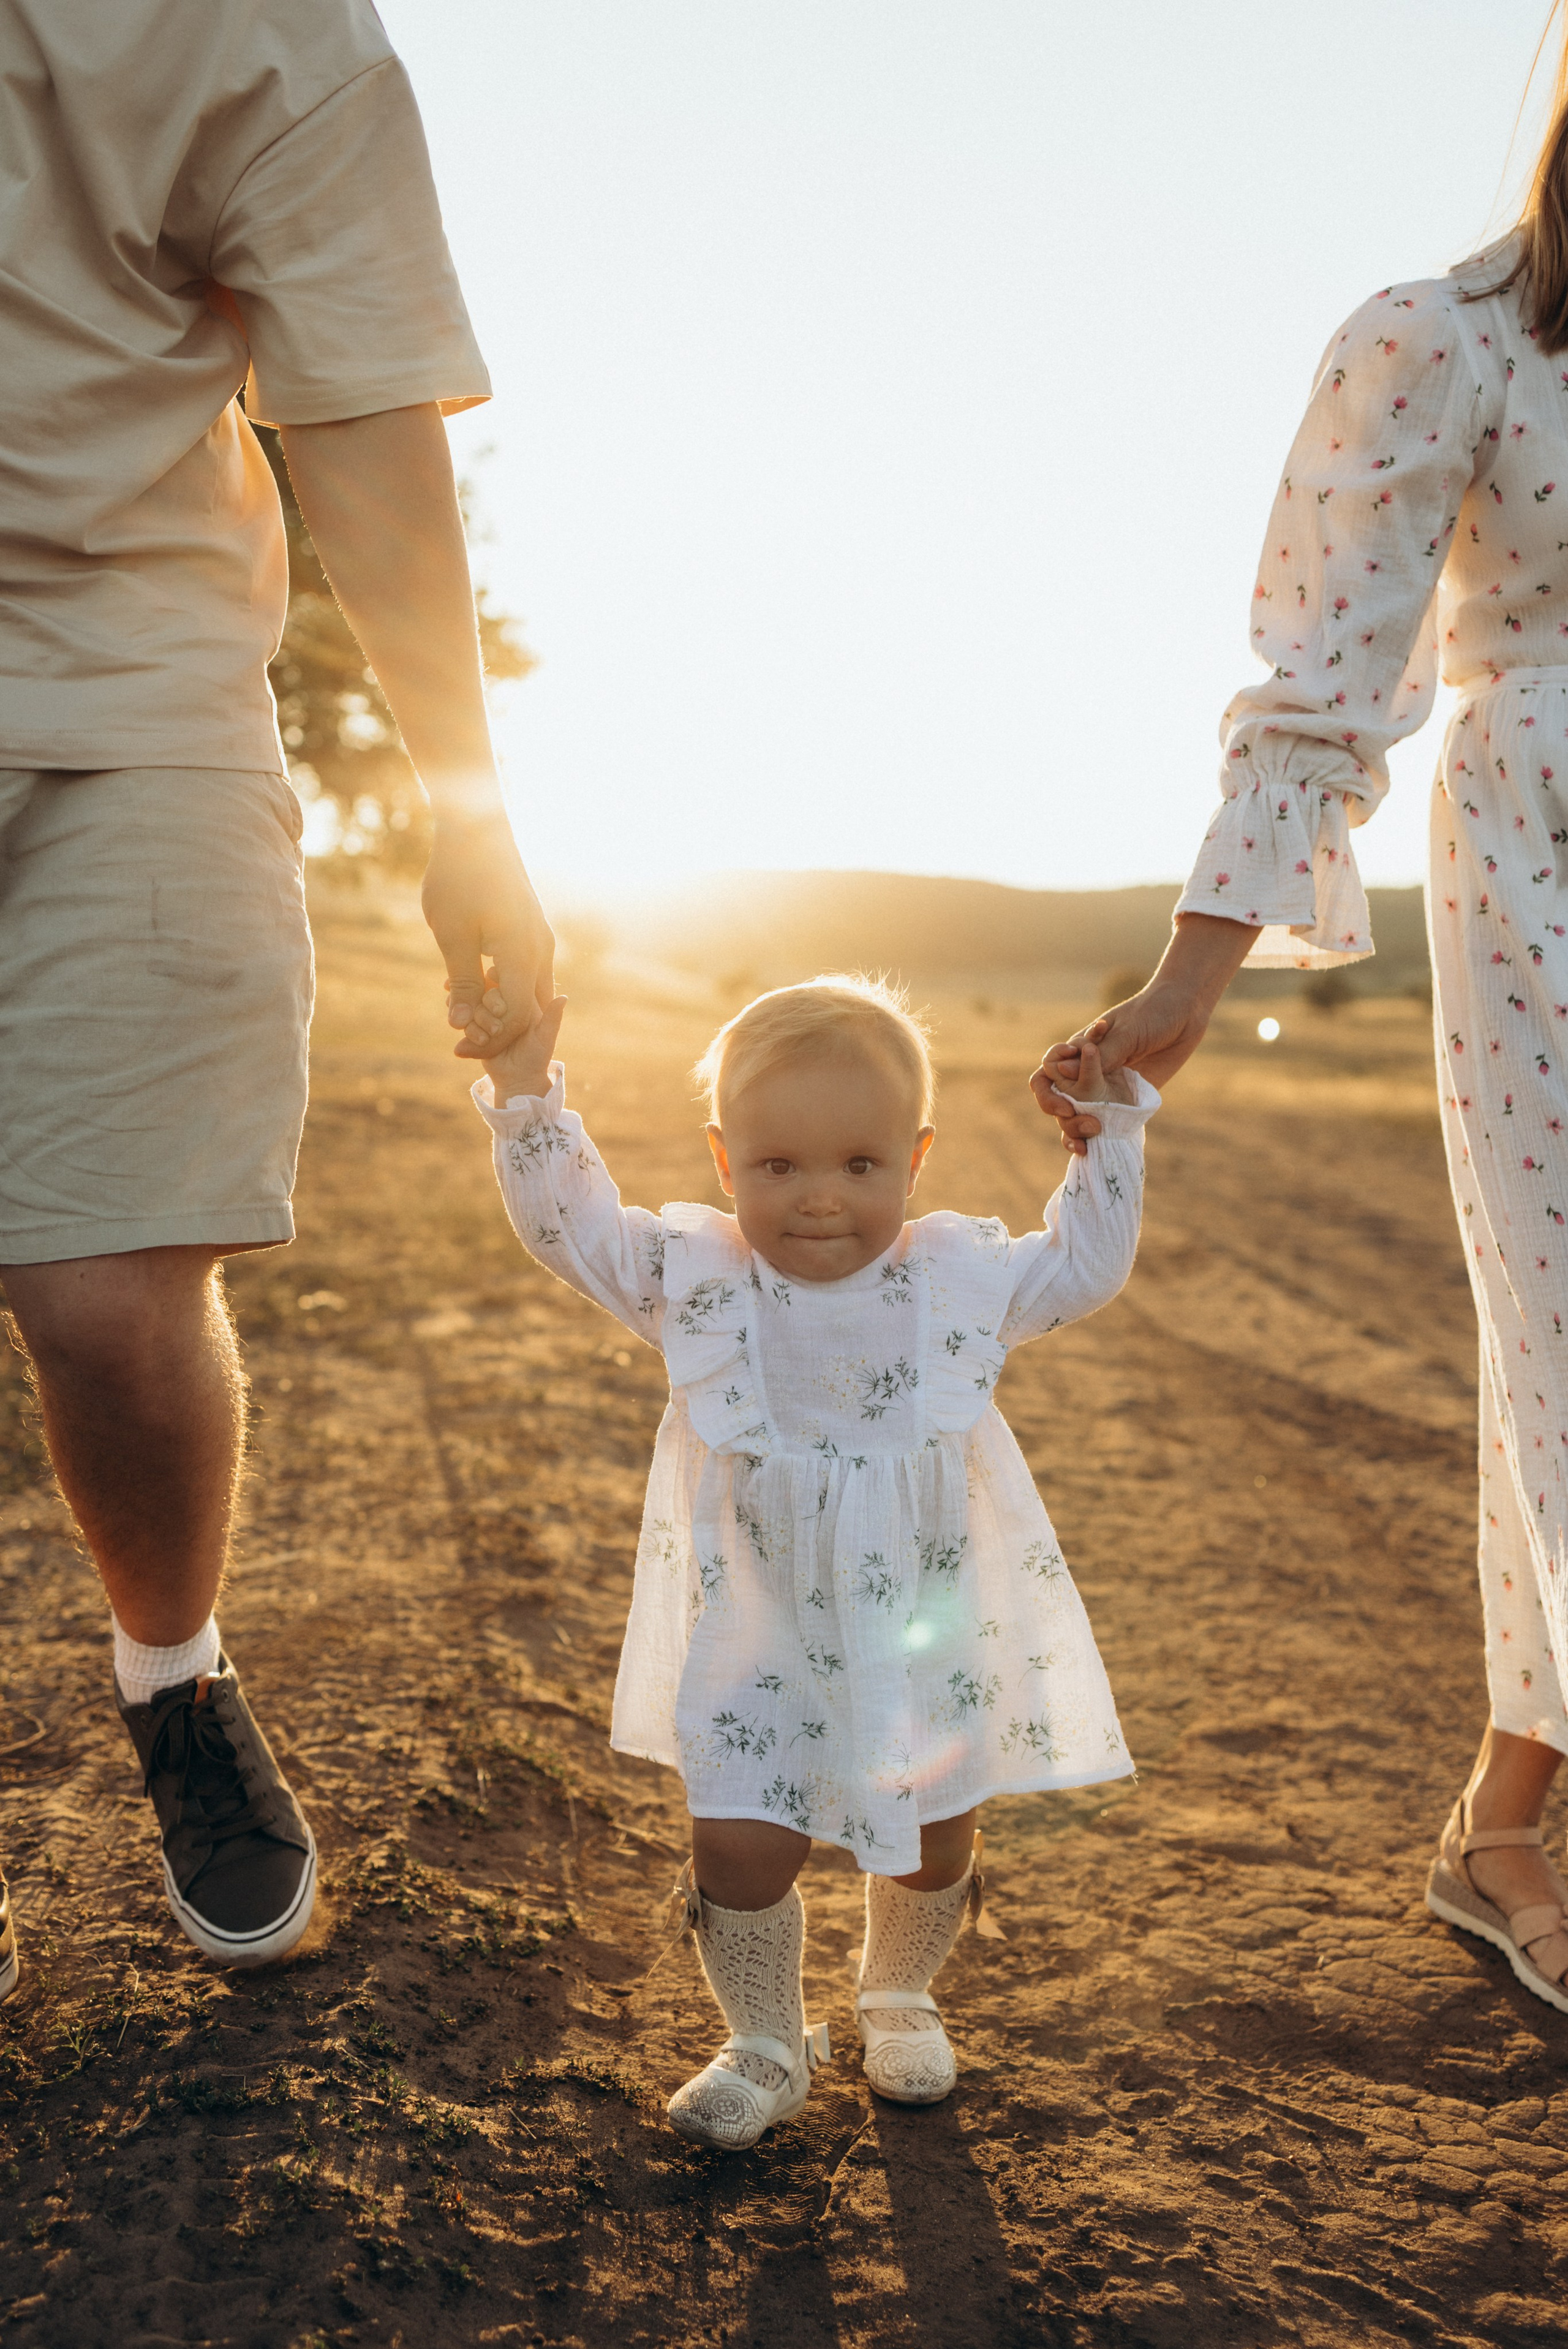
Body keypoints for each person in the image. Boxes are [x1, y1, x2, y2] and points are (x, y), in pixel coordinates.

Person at [0, 0, 553, 1999]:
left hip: (128, 705)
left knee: (108, 1300)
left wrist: (471, 813)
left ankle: (173, 1673)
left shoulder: (267, 26)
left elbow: (362, 412)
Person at [1034, 26, 1568, 2016]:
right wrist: (1190, 982)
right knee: (1566, 1355)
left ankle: (1508, 1811)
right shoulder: (1455, 341)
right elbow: (1328, 684)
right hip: (1549, 883)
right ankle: (1511, 1823)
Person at [472, 974, 1156, 2146]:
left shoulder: (956, 1277)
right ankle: (764, 2041)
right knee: (739, 1836)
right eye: (779, 1166)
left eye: (859, 1165)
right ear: (725, 1160)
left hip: (924, 1619)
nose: (821, 1201)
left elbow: (1085, 1266)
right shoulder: (697, 1278)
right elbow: (569, 1232)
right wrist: (527, 1090)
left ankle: (899, 1995)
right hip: (762, 1625)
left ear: (916, 1157)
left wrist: (1107, 1134)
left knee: (941, 1824)